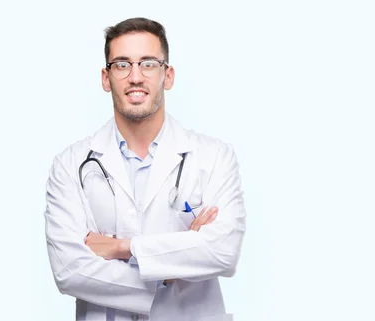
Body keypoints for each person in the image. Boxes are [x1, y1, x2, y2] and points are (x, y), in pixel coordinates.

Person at [43, 17, 246, 321]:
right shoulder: (70, 165)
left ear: (168, 75)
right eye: (122, 65)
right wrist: (170, 273)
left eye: (148, 63)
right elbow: (69, 269)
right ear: (105, 77)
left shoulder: (214, 157)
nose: (135, 77)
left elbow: (223, 252)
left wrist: (122, 248)